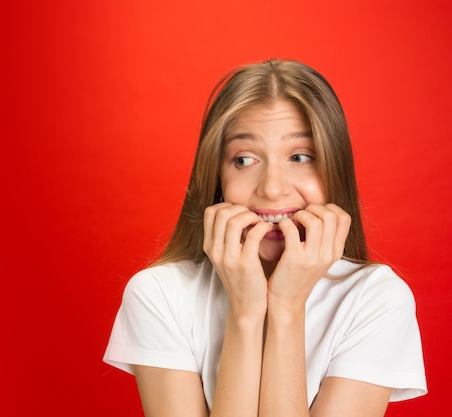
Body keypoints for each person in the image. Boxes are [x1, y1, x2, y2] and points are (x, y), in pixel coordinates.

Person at [104, 59, 427, 417]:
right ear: (217, 179)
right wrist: (246, 312)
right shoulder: (159, 294)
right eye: (244, 160)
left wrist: (287, 309)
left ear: (335, 171)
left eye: (300, 156)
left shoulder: (375, 298)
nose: (272, 189)